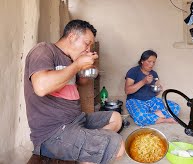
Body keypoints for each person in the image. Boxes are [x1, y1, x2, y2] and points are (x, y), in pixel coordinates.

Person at [24, 19, 125, 163]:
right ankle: (88, 149)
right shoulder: (44, 50)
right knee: (118, 145)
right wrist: (77, 65)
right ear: (72, 36)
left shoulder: (70, 60)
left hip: (77, 120)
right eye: (87, 43)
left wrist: (88, 67)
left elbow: (82, 82)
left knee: (116, 117)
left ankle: (87, 147)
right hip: (53, 132)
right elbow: (41, 87)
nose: (88, 49)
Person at [124, 50, 180, 126]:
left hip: (151, 100)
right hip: (135, 100)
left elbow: (155, 93)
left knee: (175, 107)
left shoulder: (154, 74)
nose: (151, 64)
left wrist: (158, 89)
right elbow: (127, 91)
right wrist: (143, 81)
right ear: (142, 61)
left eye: (153, 62)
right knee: (140, 116)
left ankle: (151, 116)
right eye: (149, 61)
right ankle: (164, 119)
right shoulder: (133, 71)